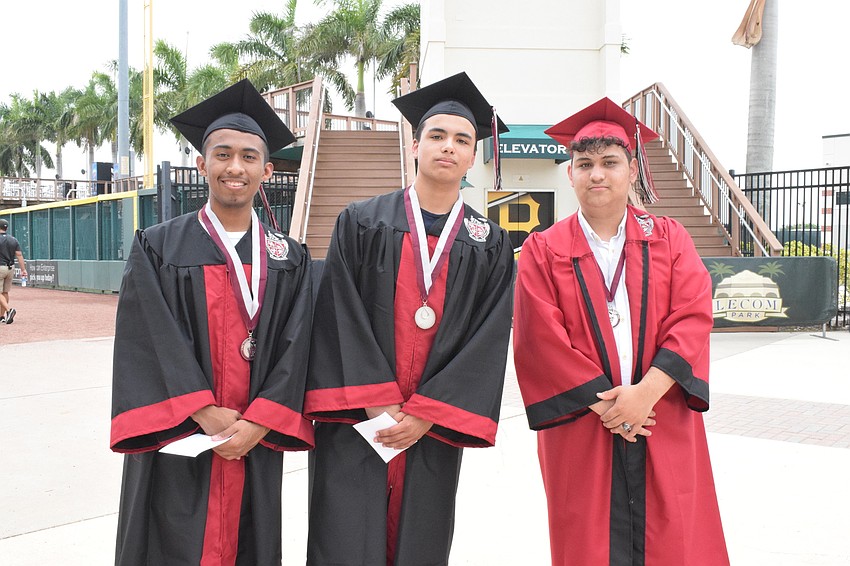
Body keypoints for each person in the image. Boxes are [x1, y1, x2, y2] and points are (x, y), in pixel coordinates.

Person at [304, 72, 515, 566]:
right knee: (344, 538)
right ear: (415, 144)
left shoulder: (489, 242)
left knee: (421, 539)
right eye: (437, 136)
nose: (448, 147)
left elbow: (487, 337)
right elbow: (338, 311)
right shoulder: (361, 220)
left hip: (432, 425)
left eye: (462, 139)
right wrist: (377, 403)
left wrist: (427, 412)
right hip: (359, 419)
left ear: (472, 155)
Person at [513, 97, 729, 565]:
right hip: (582, 422)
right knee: (587, 537)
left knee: (673, 535)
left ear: (633, 170)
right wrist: (612, 407)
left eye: (610, 162)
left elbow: (693, 317)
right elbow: (539, 340)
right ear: (569, 172)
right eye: (584, 163)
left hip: (661, 411)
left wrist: (644, 395)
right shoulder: (542, 249)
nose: (597, 174)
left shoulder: (670, 238)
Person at [110, 79, 314, 566]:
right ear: (202, 165)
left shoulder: (290, 258)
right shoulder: (158, 247)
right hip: (183, 436)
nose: (234, 167)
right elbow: (149, 339)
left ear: (266, 170)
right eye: (222, 154)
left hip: (254, 439)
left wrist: (261, 420)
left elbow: (300, 342)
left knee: (250, 541)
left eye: (248, 156)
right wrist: (203, 410)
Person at [0, 218, 27, 324]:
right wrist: (23, 270)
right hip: (10, 268)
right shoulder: (13, 239)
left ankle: (9, 310)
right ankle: (1, 316)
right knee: (5, 292)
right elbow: (19, 255)